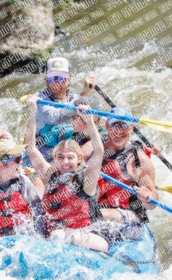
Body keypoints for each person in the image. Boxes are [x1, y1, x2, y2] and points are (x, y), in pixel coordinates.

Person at [25, 94, 109, 252]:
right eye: (60, 158)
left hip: (89, 237)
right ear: (54, 159)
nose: (64, 162)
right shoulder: (49, 173)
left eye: (70, 158)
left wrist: (89, 120)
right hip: (57, 239)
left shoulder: (86, 180)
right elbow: (30, 146)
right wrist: (32, 111)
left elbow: (99, 151)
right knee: (52, 234)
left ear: (79, 160)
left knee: (56, 235)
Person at [96, 106, 158, 243]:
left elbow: (153, 203)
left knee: (99, 214)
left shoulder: (141, 160)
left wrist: (147, 197)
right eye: (114, 125)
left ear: (131, 127)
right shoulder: (93, 148)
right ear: (107, 126)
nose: (119, 130)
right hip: (98, 208)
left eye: (124, 125)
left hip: (128, 217)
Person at [29, 57, 97, 163]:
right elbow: (56, 117)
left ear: (70, 78)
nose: (56, 83)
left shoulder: (73, 97)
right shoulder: (37, 99)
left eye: (61, 78)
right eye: (52, 78)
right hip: (44, 153)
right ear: (46, 80)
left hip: (69, 150)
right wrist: (82, 94)